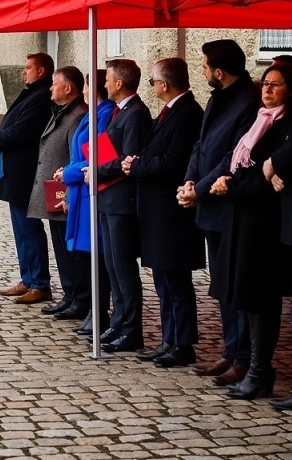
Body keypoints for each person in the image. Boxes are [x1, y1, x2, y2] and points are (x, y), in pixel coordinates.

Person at [207, 58, 292, 400]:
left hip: (265, 224)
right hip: (242, 218)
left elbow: (264, 177)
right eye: (266, 83)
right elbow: (249, 166)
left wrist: (231, 186)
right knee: (245, 296)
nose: (268, 90)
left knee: (262, 298)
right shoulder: (260, 119)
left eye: (277, 84)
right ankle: (255, 367)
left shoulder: (288, 125)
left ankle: (260, 370)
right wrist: (228, 180)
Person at [182, 39, 261, 385]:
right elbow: (201, 145)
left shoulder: (248, 101)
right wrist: (189, 180)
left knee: (237, 286)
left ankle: (244, 357)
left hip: (230, 205)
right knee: (221, 285)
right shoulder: (217, 98)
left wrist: (198, 190)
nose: (201, 71)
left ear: (219, 71)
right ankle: (231, 351)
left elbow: (233, 155)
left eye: (202, 66)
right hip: (209, 203)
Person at [124, 58, 205, 367]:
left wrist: (138, 166)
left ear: (165, 84)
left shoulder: (186, 113)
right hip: (157, 209)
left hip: (171, 211)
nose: (152, 86)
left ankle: (182, 343)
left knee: (175, 279)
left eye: (153, 81)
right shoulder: (170, 111)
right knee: (163, 278)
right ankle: (170, 338)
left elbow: (174, 161)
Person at [0, 53, 56, 304]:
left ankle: (39, 282)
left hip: (27, 173)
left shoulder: (41, 96)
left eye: (28, 68)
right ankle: (27, 279)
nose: (23, 72)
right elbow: (10, 125)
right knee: (20, 229)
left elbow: (21, 130)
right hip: (16, 173)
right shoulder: (31, 92)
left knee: (29, 228)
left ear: (42, 71)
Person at [95, 60, 151, 352]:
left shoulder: (136, 114)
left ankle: (131, 329)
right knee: (112, 265)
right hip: (108, 197)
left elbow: (128, 158)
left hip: (121, 198)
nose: (104, 84)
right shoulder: (121, 112)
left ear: (120, 83)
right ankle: (118, 321)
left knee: (123, 266)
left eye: (108, 79)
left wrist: (97, 170)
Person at [59, 70, 119, 335]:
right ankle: (94, 308)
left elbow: (101, 155)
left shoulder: (105, 114)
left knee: (97, 255)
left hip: (90, 192)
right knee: (86, 255)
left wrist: (69, 174)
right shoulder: (90, 114)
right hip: (79, 192)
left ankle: (99, 310)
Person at [32, 66, 88, 318]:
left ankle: (79, 297)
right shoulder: (63, 112)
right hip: (56, 192)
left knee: (72, 251)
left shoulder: (77, 115)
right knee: (61, 248)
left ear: (68, 88)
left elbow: (77, 157)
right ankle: (69, 294)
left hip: (67, 193)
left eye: (54, 84)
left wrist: (66, 192)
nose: (50, 88)